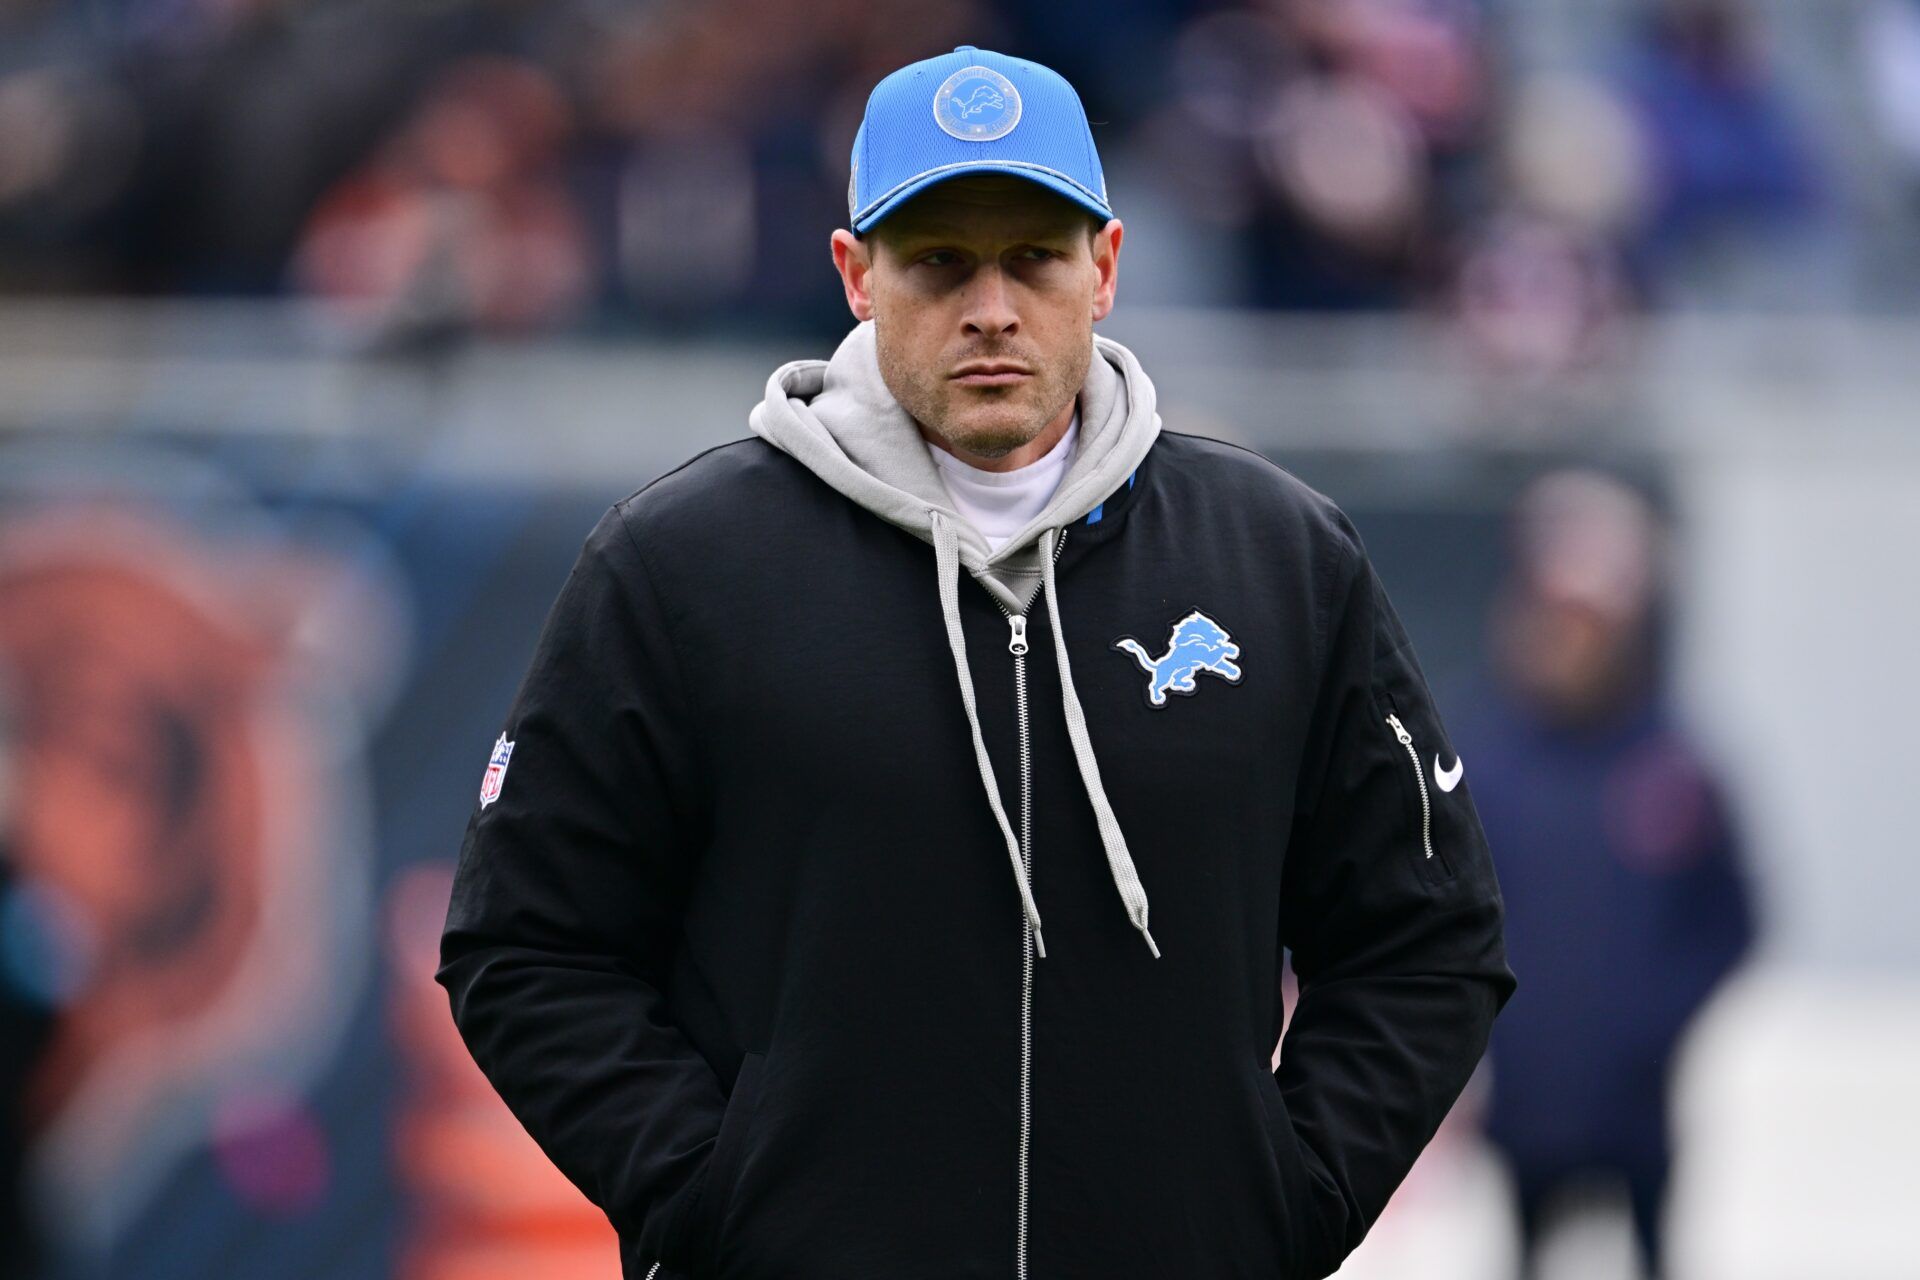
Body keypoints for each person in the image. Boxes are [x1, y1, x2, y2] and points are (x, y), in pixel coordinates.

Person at [436, 45, 1517, 1280]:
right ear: (857, 274)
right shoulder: (682, 567)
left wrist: (1284, 1198)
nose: (991, 306)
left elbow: (1427, 938)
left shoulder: (1280, 560)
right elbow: (526, 943)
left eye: (1033, 258)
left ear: (1104, 268)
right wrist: (714, 1198)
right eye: (941, 260)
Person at [1447, 470, 1757, 1279]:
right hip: (1523, 1097)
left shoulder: (1676, 767)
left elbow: (1733, 922)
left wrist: (1652, 1026)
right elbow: (1433, 912)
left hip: (1638, 1103)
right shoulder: (1483, 764)